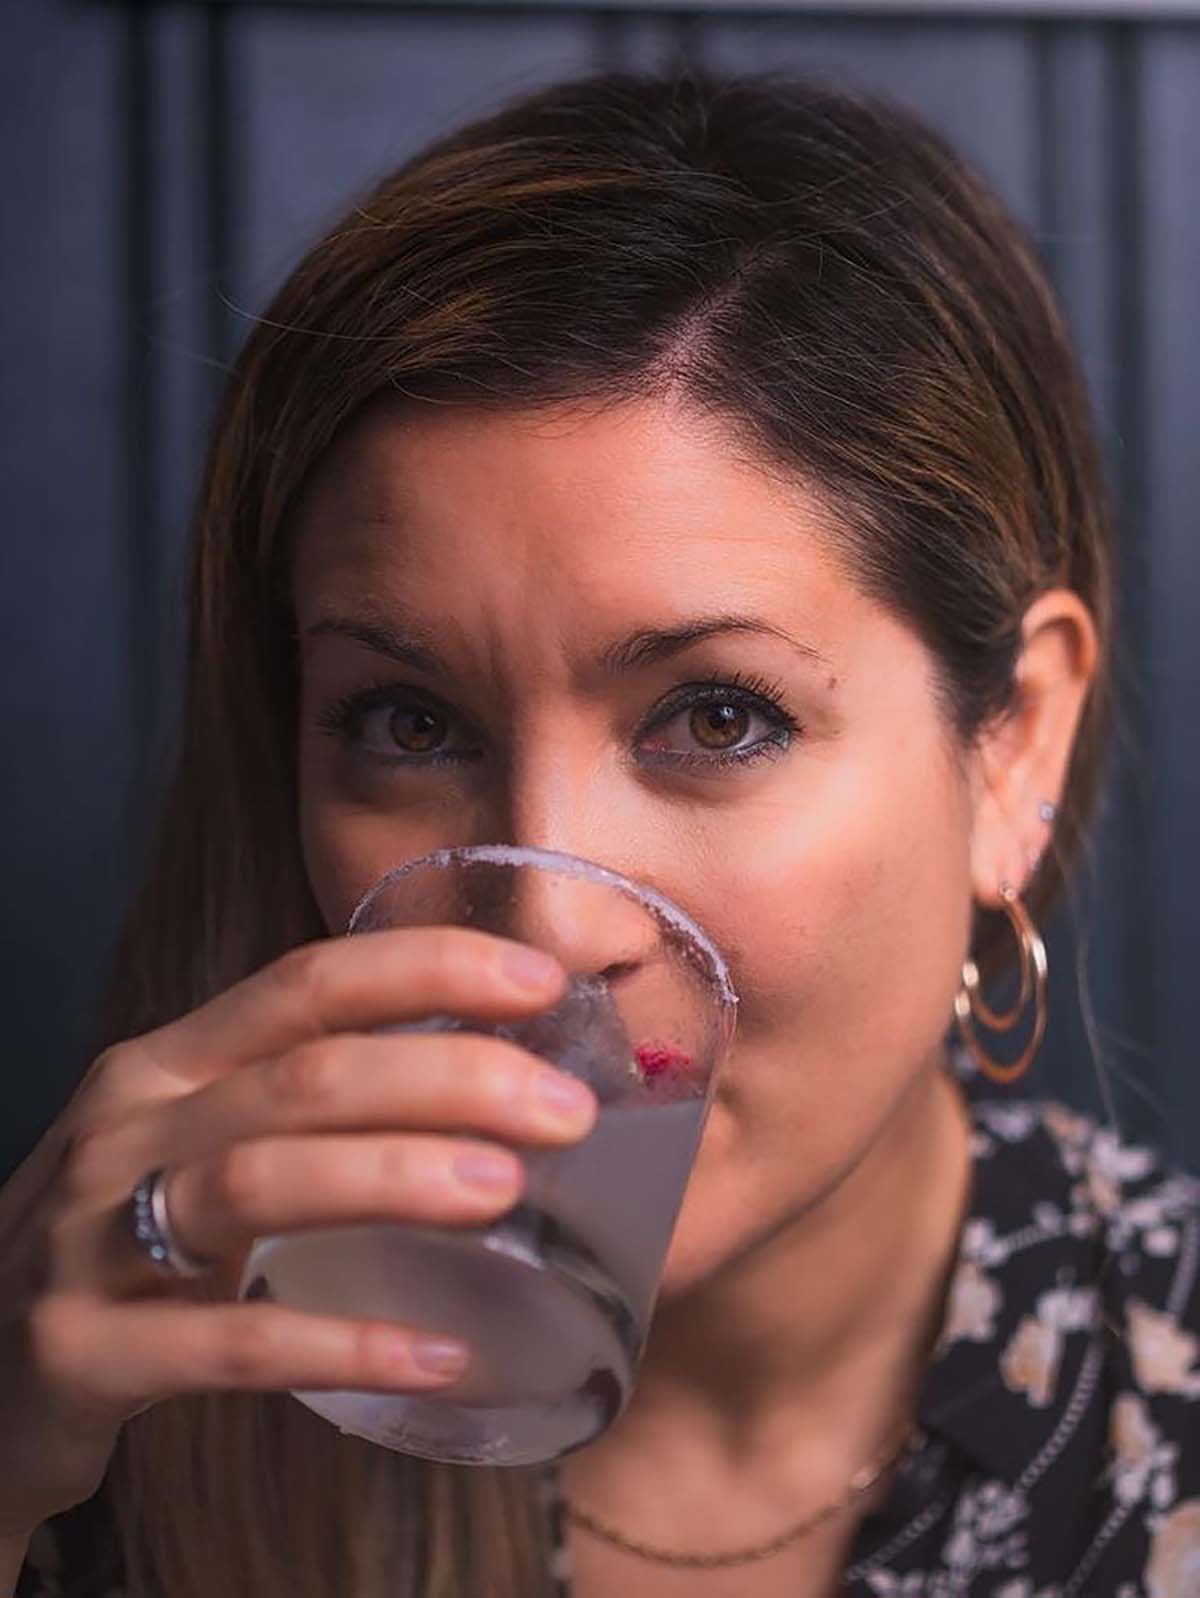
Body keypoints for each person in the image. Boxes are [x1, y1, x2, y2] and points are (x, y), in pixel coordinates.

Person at [4, 66, 1198, 1598]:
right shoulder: (124, 1398)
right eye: (411, 723)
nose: (546, 930)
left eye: (715, 717)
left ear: (1017, 742)